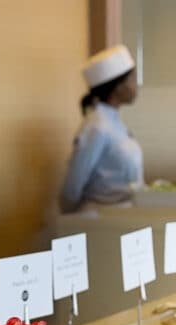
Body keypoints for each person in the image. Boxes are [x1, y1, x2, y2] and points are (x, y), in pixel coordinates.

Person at [59, 45, 142, 213]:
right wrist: (69, 225)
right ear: (118, 86)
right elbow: (72, 187)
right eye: (132, 78)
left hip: (123, 216)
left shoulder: (114, 122)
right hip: (99, 219)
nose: (136, 84)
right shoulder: (96, 127)